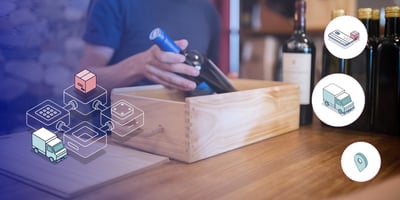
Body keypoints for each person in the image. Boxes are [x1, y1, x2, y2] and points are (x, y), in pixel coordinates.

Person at [80, 0, 221, 92]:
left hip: (190, 131)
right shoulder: (112, 3)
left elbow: (210, 80)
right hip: (120, 133)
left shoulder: (207, 10)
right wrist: (138, 67)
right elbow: (81, 85)